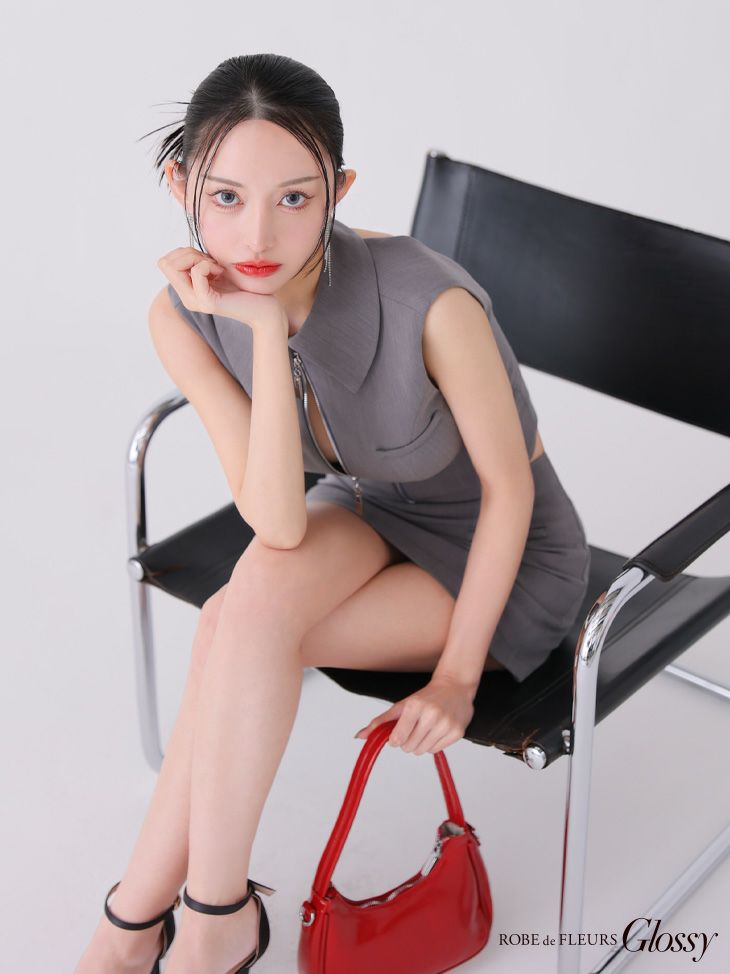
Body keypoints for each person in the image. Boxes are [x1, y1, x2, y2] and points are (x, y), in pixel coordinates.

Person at [75, 52, 590, 974]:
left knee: (238, 629)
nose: (257, 234)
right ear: (180, 185)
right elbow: (278, 523)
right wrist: (262, 327)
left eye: (295, 198)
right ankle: (184, 918)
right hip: (362, 507)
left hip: (498, 554)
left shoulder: (429, 300)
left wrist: (458, 679)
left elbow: (511, 492)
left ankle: (160, 925)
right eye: (225, 197)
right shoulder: (183, 315)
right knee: (244, 612)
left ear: (339, 191)